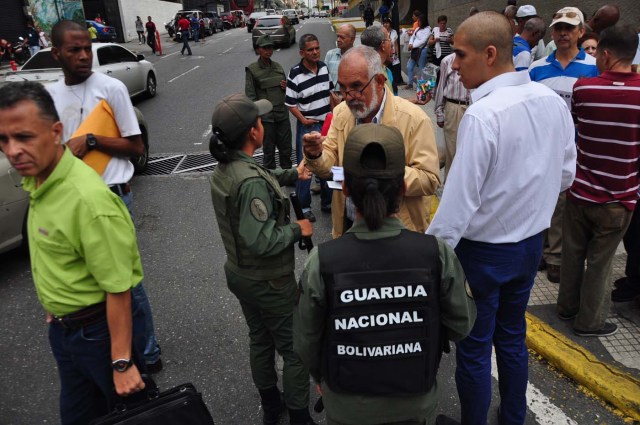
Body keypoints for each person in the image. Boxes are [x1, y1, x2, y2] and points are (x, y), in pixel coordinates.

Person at [427, 12, 576, 425]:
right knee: (512, 338)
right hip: (530, 248)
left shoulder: (482, 116)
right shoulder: (550, 101)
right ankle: (512, 417)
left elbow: (457, 208)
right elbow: (566, 174)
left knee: (475, 348)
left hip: (482, 256)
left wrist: (429, 259)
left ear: (489, 54)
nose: (454, 64)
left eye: (460, 54)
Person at [294, 123, 476, 425]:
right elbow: (461, 325)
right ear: (403, 187)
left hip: (346, 406)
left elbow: (305, 342)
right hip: (415, 404)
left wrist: (322, 377)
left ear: (347, 189)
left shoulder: (322, 261)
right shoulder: (436, 254)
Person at [0, 81, 147, 425]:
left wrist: (121, 362)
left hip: (99, 335)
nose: (13, 151)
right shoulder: (40, 181)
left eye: (24, 137)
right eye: (4, 140)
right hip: (65, 331)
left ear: (55, 133)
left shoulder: (88, 200)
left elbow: (118, 287)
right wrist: (57, 303)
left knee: (135, 414)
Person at [47, 20, 163, 374]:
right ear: (57, 53)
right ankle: (107, 347)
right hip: (72, 201)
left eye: (87, 48)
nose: (84, 56)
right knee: (85, 280)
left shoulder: (110, 88)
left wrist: (93, 141)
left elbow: (136, 146)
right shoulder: (51, 96)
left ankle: (147, 351)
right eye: (74, 50)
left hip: (112, 197)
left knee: (126, 282)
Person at [208, 93, 316, 425]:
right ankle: (299, 416)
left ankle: (271, 404)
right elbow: (261, 240)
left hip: (241, 275)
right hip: (270, 280)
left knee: (259, 338)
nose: (263, 123)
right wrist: (298, 229)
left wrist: (291, 174)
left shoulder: (228, 167)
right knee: (295, 351)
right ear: (254, 132)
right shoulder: (250, 182)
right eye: (259, 120)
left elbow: (258, 174)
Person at [303, 45, 440, 238]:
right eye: (342, 87)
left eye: (357, 87)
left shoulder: (414, 119)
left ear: (380, 81)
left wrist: (377, 175)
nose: (349, 97)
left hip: (399, 230)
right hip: (350, 226)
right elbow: (329, 165)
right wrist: (315, 154)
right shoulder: (342, 113)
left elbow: (429, 179)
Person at [557, 25, 640, 337]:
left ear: (605, 54)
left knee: (573, 254)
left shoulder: (584, 88)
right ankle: (590, 323)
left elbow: (577, 126)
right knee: (601, 264)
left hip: (580, 192)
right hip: (619, 198)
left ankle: (566, 308)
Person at [529, 7, 598, 283]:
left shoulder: (594, 69)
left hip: (578, 150)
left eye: (570, 28)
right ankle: (540, 254)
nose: (563, 33)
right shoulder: (537, 68)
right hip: (540, 148)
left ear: (581, 32)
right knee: (538, 201)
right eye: (558, 28)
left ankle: (556, 257)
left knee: (563, 204)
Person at [285, 34, 333, 222]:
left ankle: (327, 201)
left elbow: (329, 94)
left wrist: (333, 115)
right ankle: (304, 207)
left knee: (328, 162)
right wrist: (303, 120)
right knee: (305, 167)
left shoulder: (323, 68)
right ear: (302, 52)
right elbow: (290, 103)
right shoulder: (295, 73)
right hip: (307, 127)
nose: (315, 52)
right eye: (310, 49)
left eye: (317, 48)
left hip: (325, 125)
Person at [245, 35, 292, 170]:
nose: (268, 50)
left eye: (270, 47)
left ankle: (288, 175)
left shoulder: (278, 67)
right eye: (265, 48)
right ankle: (270, 179)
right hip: (266, 119)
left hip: (282, 115)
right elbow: (251, 95)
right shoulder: (252, 70)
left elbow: (286, 90)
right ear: (258, 50)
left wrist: (286, 87)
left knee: (286, 148)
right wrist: (256, 118)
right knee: (269, 151)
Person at [433, 40, 470, 180]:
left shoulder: (478, 59)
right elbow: (441, 86)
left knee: (470, 152)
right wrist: (439, 111)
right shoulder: (447, 61)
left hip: (473, 106)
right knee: (453, 152)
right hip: (454, 107)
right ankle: (450, 189)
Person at [360, 25, 395, 94]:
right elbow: (385, 103)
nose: (391, 42)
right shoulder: (374, 75)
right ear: (383, 45)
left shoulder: (385, 69)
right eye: (389, 39)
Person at [325, 24, 356, 93]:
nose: (338, 40)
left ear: (352, 39)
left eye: (342, 37)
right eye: (337, 36)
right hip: (331, 97)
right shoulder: (330, 54)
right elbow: (324, 78)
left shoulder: (359, 57)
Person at [406, 14, 430, 90]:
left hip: (422, 50)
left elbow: (423, 41)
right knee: (409, 66)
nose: (418, 22)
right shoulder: (417, 29)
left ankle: (421, 87)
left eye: (419, 21)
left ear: (423, 21)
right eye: (418, 21)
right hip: (415, 50)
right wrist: (410, 44)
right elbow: (413, 37)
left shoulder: (428, 29)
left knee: (421, 69)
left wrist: (412, 46)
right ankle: (410, 83)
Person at [383, 18, 403, 86]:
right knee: (387, 68)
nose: (386, 24)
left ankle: (396, 81)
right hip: (386, 54)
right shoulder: (382, 32)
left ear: (390, 24)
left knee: (396, 67)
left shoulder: (394, 32)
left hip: (393, 53)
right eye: (384, 23)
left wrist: (397, 53)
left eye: (387, 23)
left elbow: (396, 44)